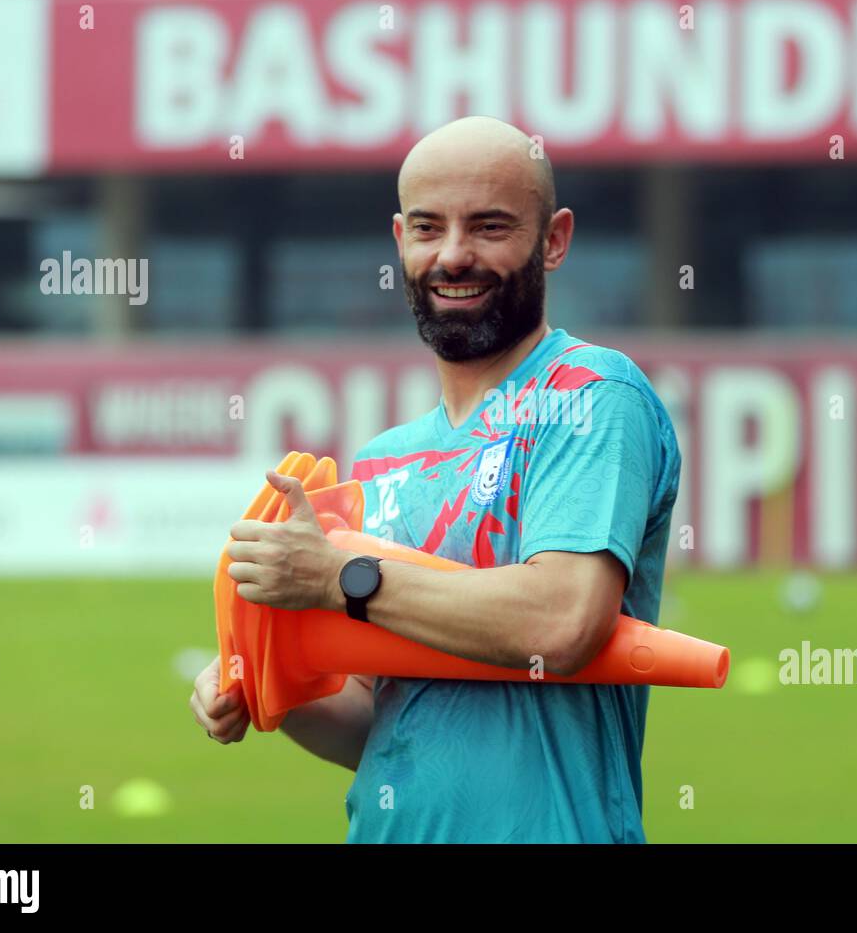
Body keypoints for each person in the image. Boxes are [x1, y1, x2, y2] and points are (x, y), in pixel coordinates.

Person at [188, 116, 682, 843]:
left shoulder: (589, 394)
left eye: (488, 227)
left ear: (554, 240)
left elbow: (563, 622)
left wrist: (341, 577)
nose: (454, 255)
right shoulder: (384, 460)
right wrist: (268, 686)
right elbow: (381, 720)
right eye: (428, 228)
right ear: (400, 242)